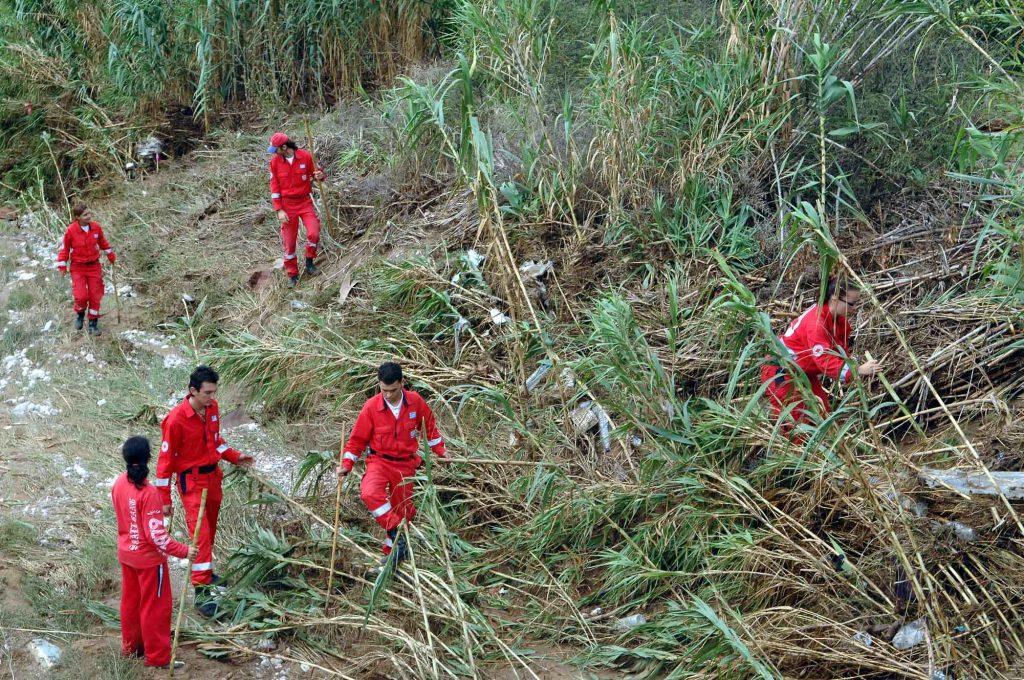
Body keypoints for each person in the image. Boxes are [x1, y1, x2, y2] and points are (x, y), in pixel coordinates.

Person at [154, 365, 254, 616]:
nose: (212, 397)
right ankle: (201, 593)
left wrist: (235, 456)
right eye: (207, 393)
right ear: (192, 391)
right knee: (201, 536)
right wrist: (164, 499)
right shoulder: (175, 420)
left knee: (209, 529)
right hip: (192, 484)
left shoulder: (212, 409)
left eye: (213, 392)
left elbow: (216, 442)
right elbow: (164, 462)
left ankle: (206, 573)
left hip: (213, 479)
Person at [338, 362, 447, 570]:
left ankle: (392, 559)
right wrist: (347, 464)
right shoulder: (371, 406)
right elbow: (357, 441)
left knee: (404, 511)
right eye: (383, 390)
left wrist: (441, 452)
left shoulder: (415, 402)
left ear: (402, 383)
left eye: (393, 390)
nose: (387, 395)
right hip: (379, 461)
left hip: (406, 465)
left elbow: (430, 429)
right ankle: (397, 531)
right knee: (370, 493)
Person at [112, 436, 196, 670]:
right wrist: (185, 551)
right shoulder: (148, 493)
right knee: (155, 608)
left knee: (131, 603)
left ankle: (131, 648)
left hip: (127, 554)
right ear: (148, 458)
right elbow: (156, 537)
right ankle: (158, 657)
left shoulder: (119, 483)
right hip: (149, 561)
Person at [761, 277, 882, 429]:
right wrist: (856, 370)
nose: (855, 308)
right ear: (835, 299)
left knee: (822, 414)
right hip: (781, 371)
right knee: (796, 424)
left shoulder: (839, 320)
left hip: (803, 371)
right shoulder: (817, 324)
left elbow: (839, 351)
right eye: (851, 304)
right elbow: (825, 360)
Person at [267, 132, 325, 288]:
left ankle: (309, 262)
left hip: (305, 202)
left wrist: (320, 175)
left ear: (284, 147)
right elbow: (274, 187)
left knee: (314, 232)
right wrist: (279, 210)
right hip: (287, 206)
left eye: (276, 149)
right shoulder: (274, 163)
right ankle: (292, 274)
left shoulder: (305, 156)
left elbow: (317, 173)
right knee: (289, 243)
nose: (274, 153)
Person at [56, 204, 116, 335]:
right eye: (85, 215)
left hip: (94, 266)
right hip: (78, 268)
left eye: (89, 213)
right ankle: (80, 313)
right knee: (81, 296)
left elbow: (103, 242)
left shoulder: (96, 227)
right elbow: (64, 249)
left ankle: (93, 324)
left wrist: (110, 254)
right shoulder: (71, 230)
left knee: (96, 295)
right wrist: (62, 265)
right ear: (77, 217)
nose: (89, 216)